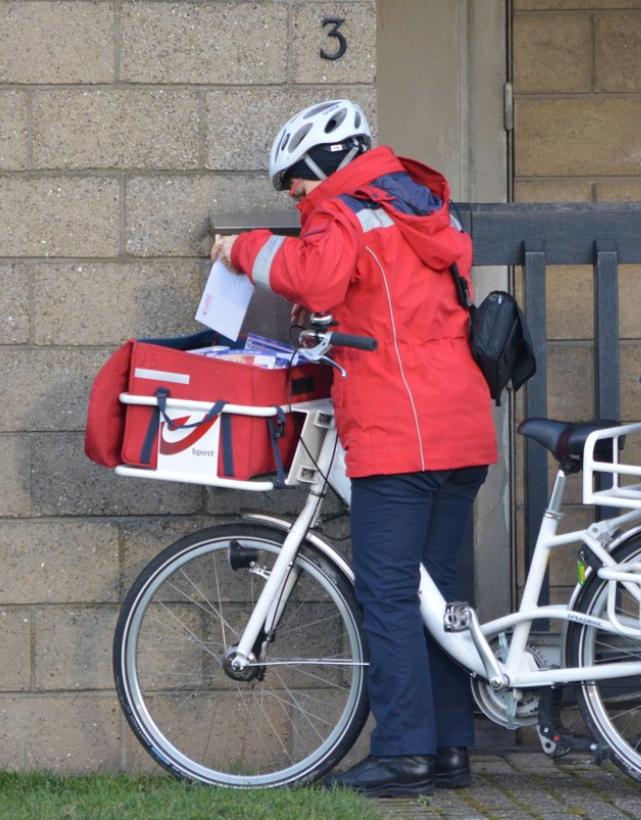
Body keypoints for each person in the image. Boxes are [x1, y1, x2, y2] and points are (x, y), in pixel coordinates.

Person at [211, 99, 497, 798]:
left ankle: (403, 755)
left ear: (322, 166)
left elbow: (315, 277)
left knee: (390, 595)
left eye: (294, 182)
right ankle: (449, 749)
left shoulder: (347, 212)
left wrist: (240, 248)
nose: (292, 197)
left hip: (400, 428)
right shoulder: (421, 207)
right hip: (460, 424)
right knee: (438, 595)